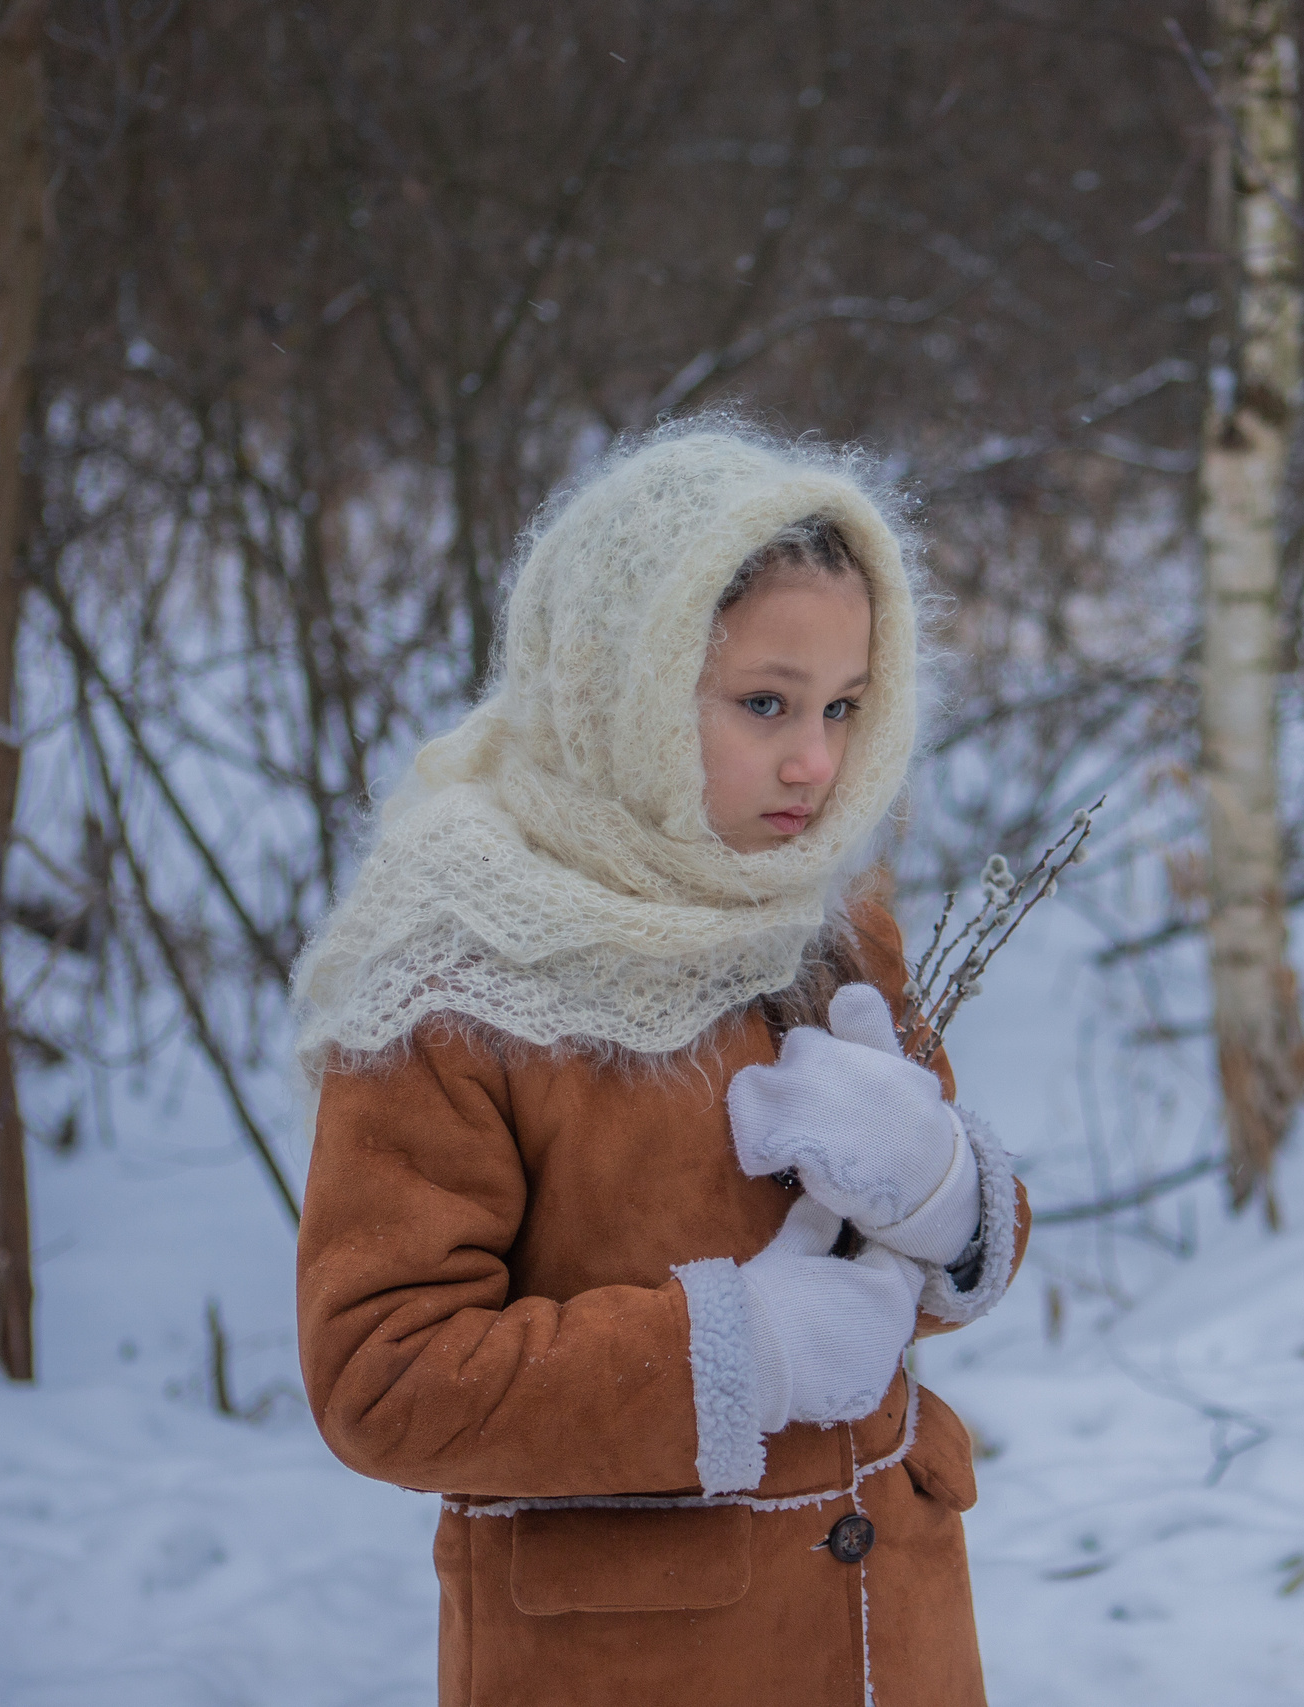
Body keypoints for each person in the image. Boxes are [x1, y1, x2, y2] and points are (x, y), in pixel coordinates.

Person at [292, 423, 1026, 1707]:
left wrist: (946, 1201)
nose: (816, 761)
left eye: (845, 706)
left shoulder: (829, 922)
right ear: (620, 681)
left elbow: (920, 1288)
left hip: (895, 1647)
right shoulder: (450, 979)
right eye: (764, 703)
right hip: (640, 1664)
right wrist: (731, 1354)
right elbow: (383, 1377)